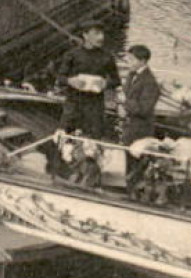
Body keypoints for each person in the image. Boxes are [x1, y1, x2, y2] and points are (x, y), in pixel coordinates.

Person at [58, 26, 121, 139]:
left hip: (95, 106)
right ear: (85, 35)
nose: (101, 37)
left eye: (102, 33)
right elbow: (60, 78)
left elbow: (116, 80)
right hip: (73, 104)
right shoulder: (72, 55)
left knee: (93, 140)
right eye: (96, 33)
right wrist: (70, 81)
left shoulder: (107, 56)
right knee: (65, 138)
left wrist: (105, 83)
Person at [119, 44, 161, 190]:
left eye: (131, 60)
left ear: (142, 61)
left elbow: (144, 109)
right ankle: (129, 186)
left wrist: (125, 103)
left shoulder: (150, 83)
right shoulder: (132, 75)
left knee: (137, 162)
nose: (128, 63)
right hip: (129, 127)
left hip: (140, 129)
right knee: (128, 159)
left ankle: (135, 189)